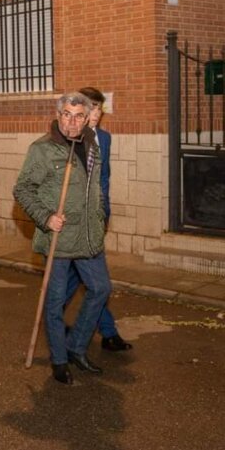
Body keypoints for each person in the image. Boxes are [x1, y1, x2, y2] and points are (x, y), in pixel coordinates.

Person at [13, 92, 113, 385]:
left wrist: (101, 212)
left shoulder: (92, 144)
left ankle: (76, 347)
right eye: (66, 115)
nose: (72, 121)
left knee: (100, 288)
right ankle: (59, 360)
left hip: (88, 237)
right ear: (58, 116)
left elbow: (96, 185)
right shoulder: (43, 150)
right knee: (55, 301)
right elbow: (23, 190)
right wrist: (45, 218)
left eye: (78, 116)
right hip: (57, 238)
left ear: (87, 118)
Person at [62, 87, 131, 352]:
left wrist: (104, 213)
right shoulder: (69, 137)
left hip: (96, 219)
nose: (95, 113)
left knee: (82, 278)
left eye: (99, 108)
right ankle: (105, 332)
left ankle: (54, 317)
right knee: (91, 280)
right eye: (90, 107)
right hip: (74, 221)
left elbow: (104, 179)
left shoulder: (105, 137)